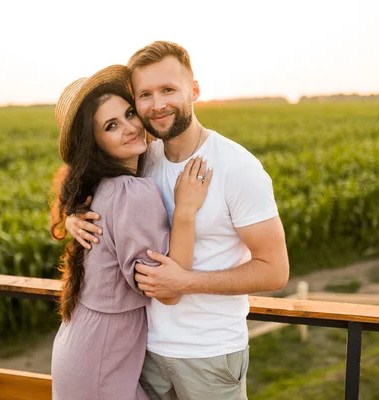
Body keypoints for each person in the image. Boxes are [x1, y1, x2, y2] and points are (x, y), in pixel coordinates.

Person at [65, 41, 290, 399]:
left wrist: (186, 282)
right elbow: (82, 172)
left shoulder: (237, 167)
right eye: (145, 95)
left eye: (168, 90)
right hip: (146, 353)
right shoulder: (142, 156)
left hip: (210, 355)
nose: (157, 105)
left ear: (195, 90)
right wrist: (72, 216)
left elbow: (275, 270)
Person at [49, 64, 212, 400]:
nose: (129, 128)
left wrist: (69, 218)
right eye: (111, 126)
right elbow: (167, 290)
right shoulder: (130, 192)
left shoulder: (101, 186)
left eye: (128, 114)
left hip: (78, 348)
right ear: (95, 144)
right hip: (99, 364)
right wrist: (185, 211)